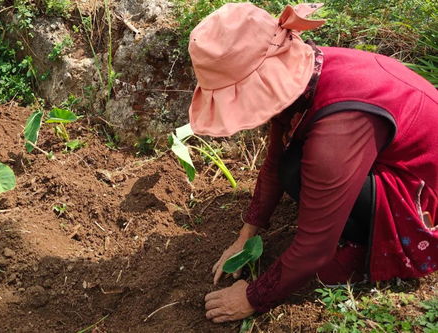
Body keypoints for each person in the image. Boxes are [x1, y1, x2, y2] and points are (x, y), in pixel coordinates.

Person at [185, 3, 438, 323]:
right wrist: (246, 234)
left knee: (308, 175)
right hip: (392, 156)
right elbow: (275, 160)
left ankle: (363, 248)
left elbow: (315, 247)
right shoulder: (311, 72)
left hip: (423, 198)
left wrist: (252, 297)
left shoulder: (337, 132)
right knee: (291, 165)